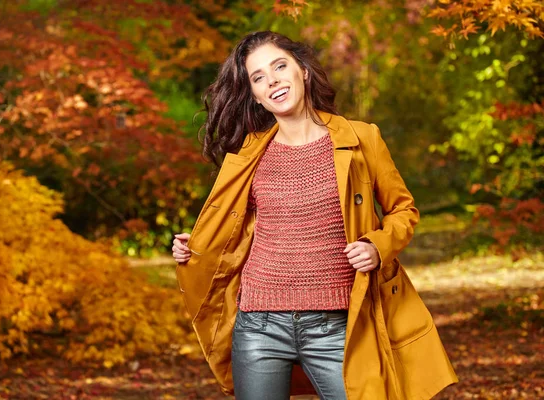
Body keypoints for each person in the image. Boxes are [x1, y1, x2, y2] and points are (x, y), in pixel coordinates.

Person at [172, 31, 457, 400]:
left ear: (303, 71)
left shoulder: (360, 138)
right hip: (258, 325)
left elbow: (404, 210)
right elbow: (233, 230)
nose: (272, 79)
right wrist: (194, 247)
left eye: (279, 66)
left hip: (337, 326)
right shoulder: (248, 153)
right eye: (258, 77)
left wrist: (377, 245)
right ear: (255, 94)